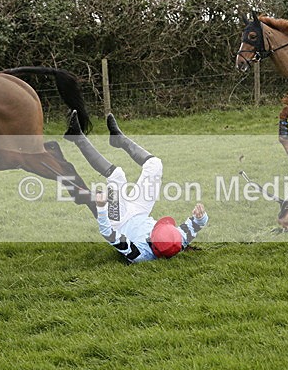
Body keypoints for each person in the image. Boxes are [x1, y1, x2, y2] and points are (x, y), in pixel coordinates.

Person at [65, 111, 208, 263]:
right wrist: (200, 217)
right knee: (155, 165)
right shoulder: (175, 241)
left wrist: (101, 208)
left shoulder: (138, 253)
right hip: (141, 211)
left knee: (117, 175)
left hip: (119, 219)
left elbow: (108, 233)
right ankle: (119, 139)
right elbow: (196, 225)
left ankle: (77, 137)